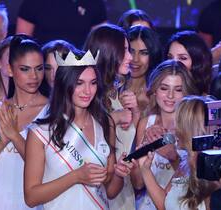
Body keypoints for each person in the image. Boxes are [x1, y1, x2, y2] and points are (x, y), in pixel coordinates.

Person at [24, 48, 133, 209]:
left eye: (93, 83)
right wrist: (76, 177)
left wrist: (119, 174)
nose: (87, 91)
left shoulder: (105, 123)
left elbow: (110, 191)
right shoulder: (41, 131)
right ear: (64, 84)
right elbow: (31, 197)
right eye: (79, 83)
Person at [0, 35, 48, 210]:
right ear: (10, 70)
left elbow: (46, 168)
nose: (34, 76)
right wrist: (2, 141)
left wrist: (14, 135)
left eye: (39, 68)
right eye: (25, 69)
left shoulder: (53, 110)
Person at [84, 23, 138, 210]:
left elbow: (131, 146)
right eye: (124, 51)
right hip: (94, 195)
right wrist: (113, 119)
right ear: (107, 53)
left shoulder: (118, 96)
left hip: (125, 194)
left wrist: (135, 112)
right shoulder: (86, 97)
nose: (131, 57)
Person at [131, 60, 198, 210]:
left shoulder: (192, 127)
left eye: (178, 89)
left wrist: (172, 156)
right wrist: (139, 162)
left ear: (186, 92)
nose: (170, 96)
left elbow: (196, 180)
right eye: (164, 88)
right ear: (155, 90)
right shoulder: (146, 123)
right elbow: (137, 183)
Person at [137, 96, 217, 210]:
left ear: (189, 129)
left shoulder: (210, 168)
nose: (174, 128)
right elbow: (164, 205)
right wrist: (145, 168)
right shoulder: (185, 161)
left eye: (178, 123)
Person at [16, 0, 107, 48]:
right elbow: (22, 43)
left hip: (79, 69)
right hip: (42, 67)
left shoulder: (95, 3)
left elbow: (102, 43)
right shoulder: (33, 2)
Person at [127, 25, 162, 116]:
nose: (135, 59)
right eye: (131, 51)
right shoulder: (111, 89)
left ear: (153, 56)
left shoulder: (157, 95)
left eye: (144, 53)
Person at [165, 31, 212, 95]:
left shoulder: (205, 100)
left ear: (197, 63)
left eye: (182, 58)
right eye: (170, 58)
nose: (174, 63)